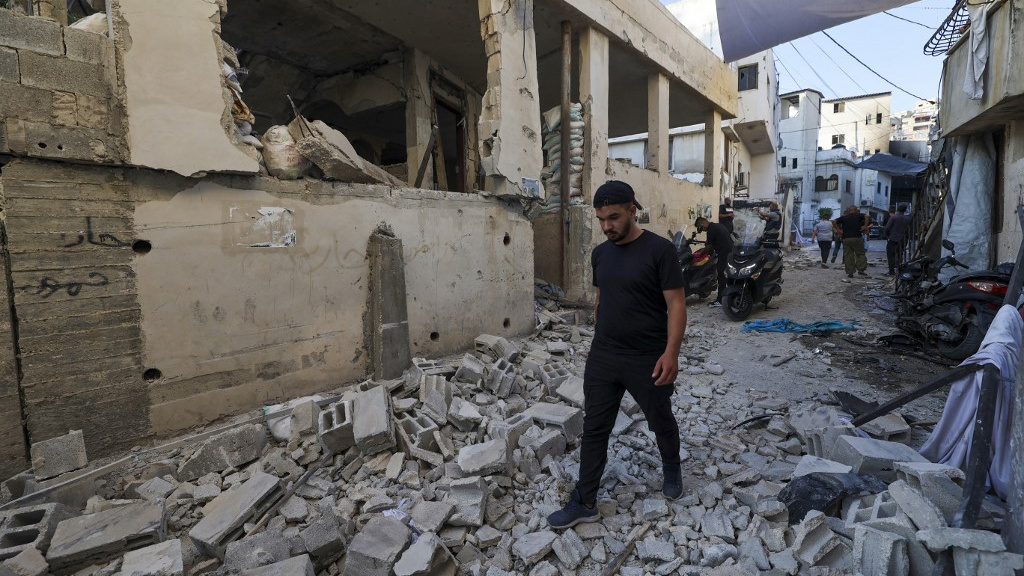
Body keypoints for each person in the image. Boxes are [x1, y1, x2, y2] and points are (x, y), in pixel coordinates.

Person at [547, 180, 687, 529]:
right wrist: (600, 340)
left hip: (648, 357)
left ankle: (672, 468)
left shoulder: (659, 250)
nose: (607, 226)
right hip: (605, 356)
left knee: (660, 419)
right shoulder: (600, 254)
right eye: (601, 220)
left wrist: (671, 353)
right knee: (595, 428)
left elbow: (677, 304)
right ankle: (585, 500)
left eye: (613, 217)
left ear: (632, 211)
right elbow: (601, 299)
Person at [695, 216, 733, 307]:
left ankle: (720, 300)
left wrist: (700, 253)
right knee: (728, 276)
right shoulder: (717, 226)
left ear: (703, 222)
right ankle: (729, 297)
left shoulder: (711, 230)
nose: (702, 229)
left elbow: (708, 247)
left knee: (721, 276)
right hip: (730, 253)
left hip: (724, 254)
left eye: (700, 226)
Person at [834, 206, 870, 278]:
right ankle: (861, 269)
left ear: (848, 211)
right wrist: (865, 226)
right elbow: (867, 216)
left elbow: (834, 221)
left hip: (846, 239)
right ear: (856, 210)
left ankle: (850, 272)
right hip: (857, 238)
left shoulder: (844, 217)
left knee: (848, 255)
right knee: (860, 254)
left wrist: (838, 230)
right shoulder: (859, 215)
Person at [884, 204, 911, 276]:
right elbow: (910, 230)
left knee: (891, 255)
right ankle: (899, 269)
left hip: (893, 238)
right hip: (903, 239)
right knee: (900, 254)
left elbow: (887, 228)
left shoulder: (893, 218)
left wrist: (888, 235)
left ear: (897, 209)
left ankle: (891, 271)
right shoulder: (908, 219)